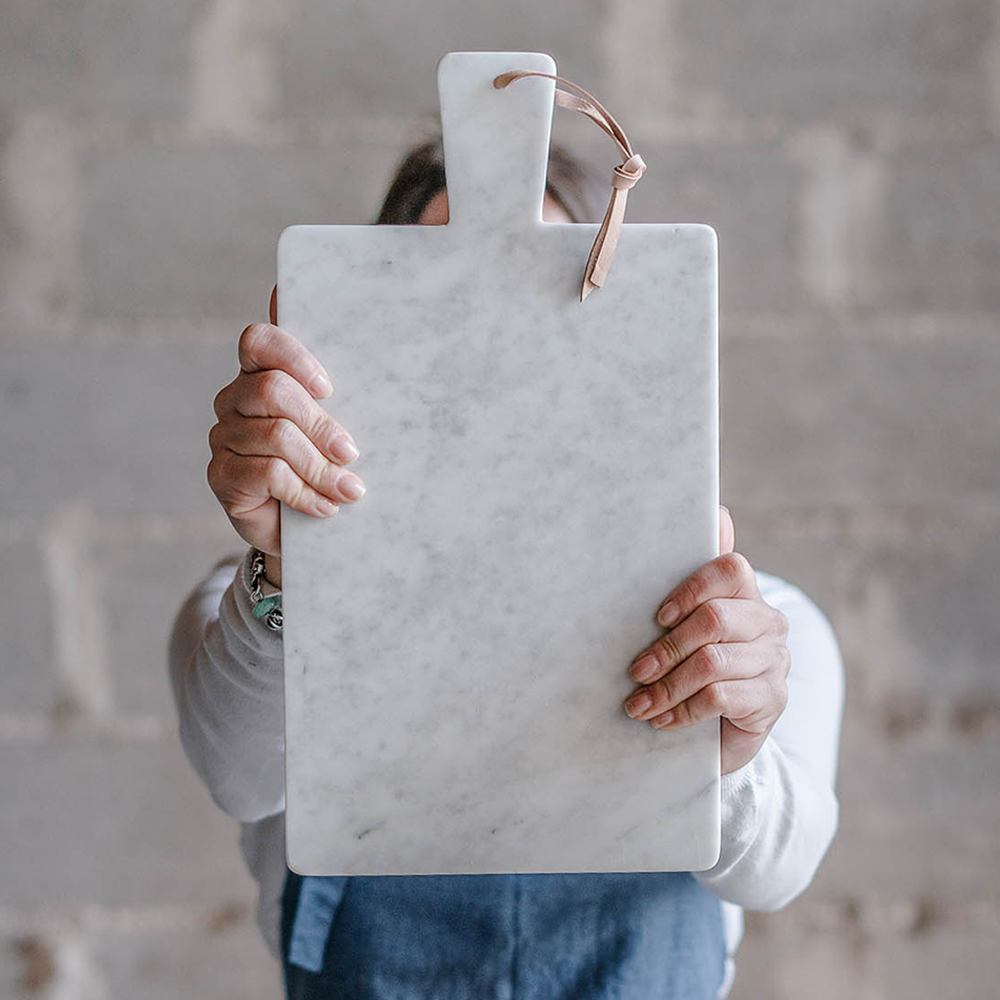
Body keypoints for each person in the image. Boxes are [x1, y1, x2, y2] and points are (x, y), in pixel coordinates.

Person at [168, 133, 844, 999]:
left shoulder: (752, 625)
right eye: (442, 300)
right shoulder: (245, 597)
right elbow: (240, 775)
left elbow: (779, 869)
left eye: (535, 296)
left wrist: (721, 742)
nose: (489, 343)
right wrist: (289, 569)